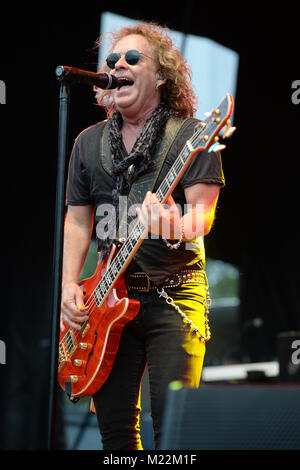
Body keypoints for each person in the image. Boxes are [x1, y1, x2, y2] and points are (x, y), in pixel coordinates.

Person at [60, 22, 225, 450]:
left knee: (174, 431)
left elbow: (200, 221)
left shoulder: (190, 136)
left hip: (174, 295)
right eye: (113, 61)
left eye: (133, 59)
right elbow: (78, 221)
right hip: (108, 300)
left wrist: (170, 223)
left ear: (162, 75)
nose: (118, 66)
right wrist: (68, 285)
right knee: (115, 435)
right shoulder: (87, 142)